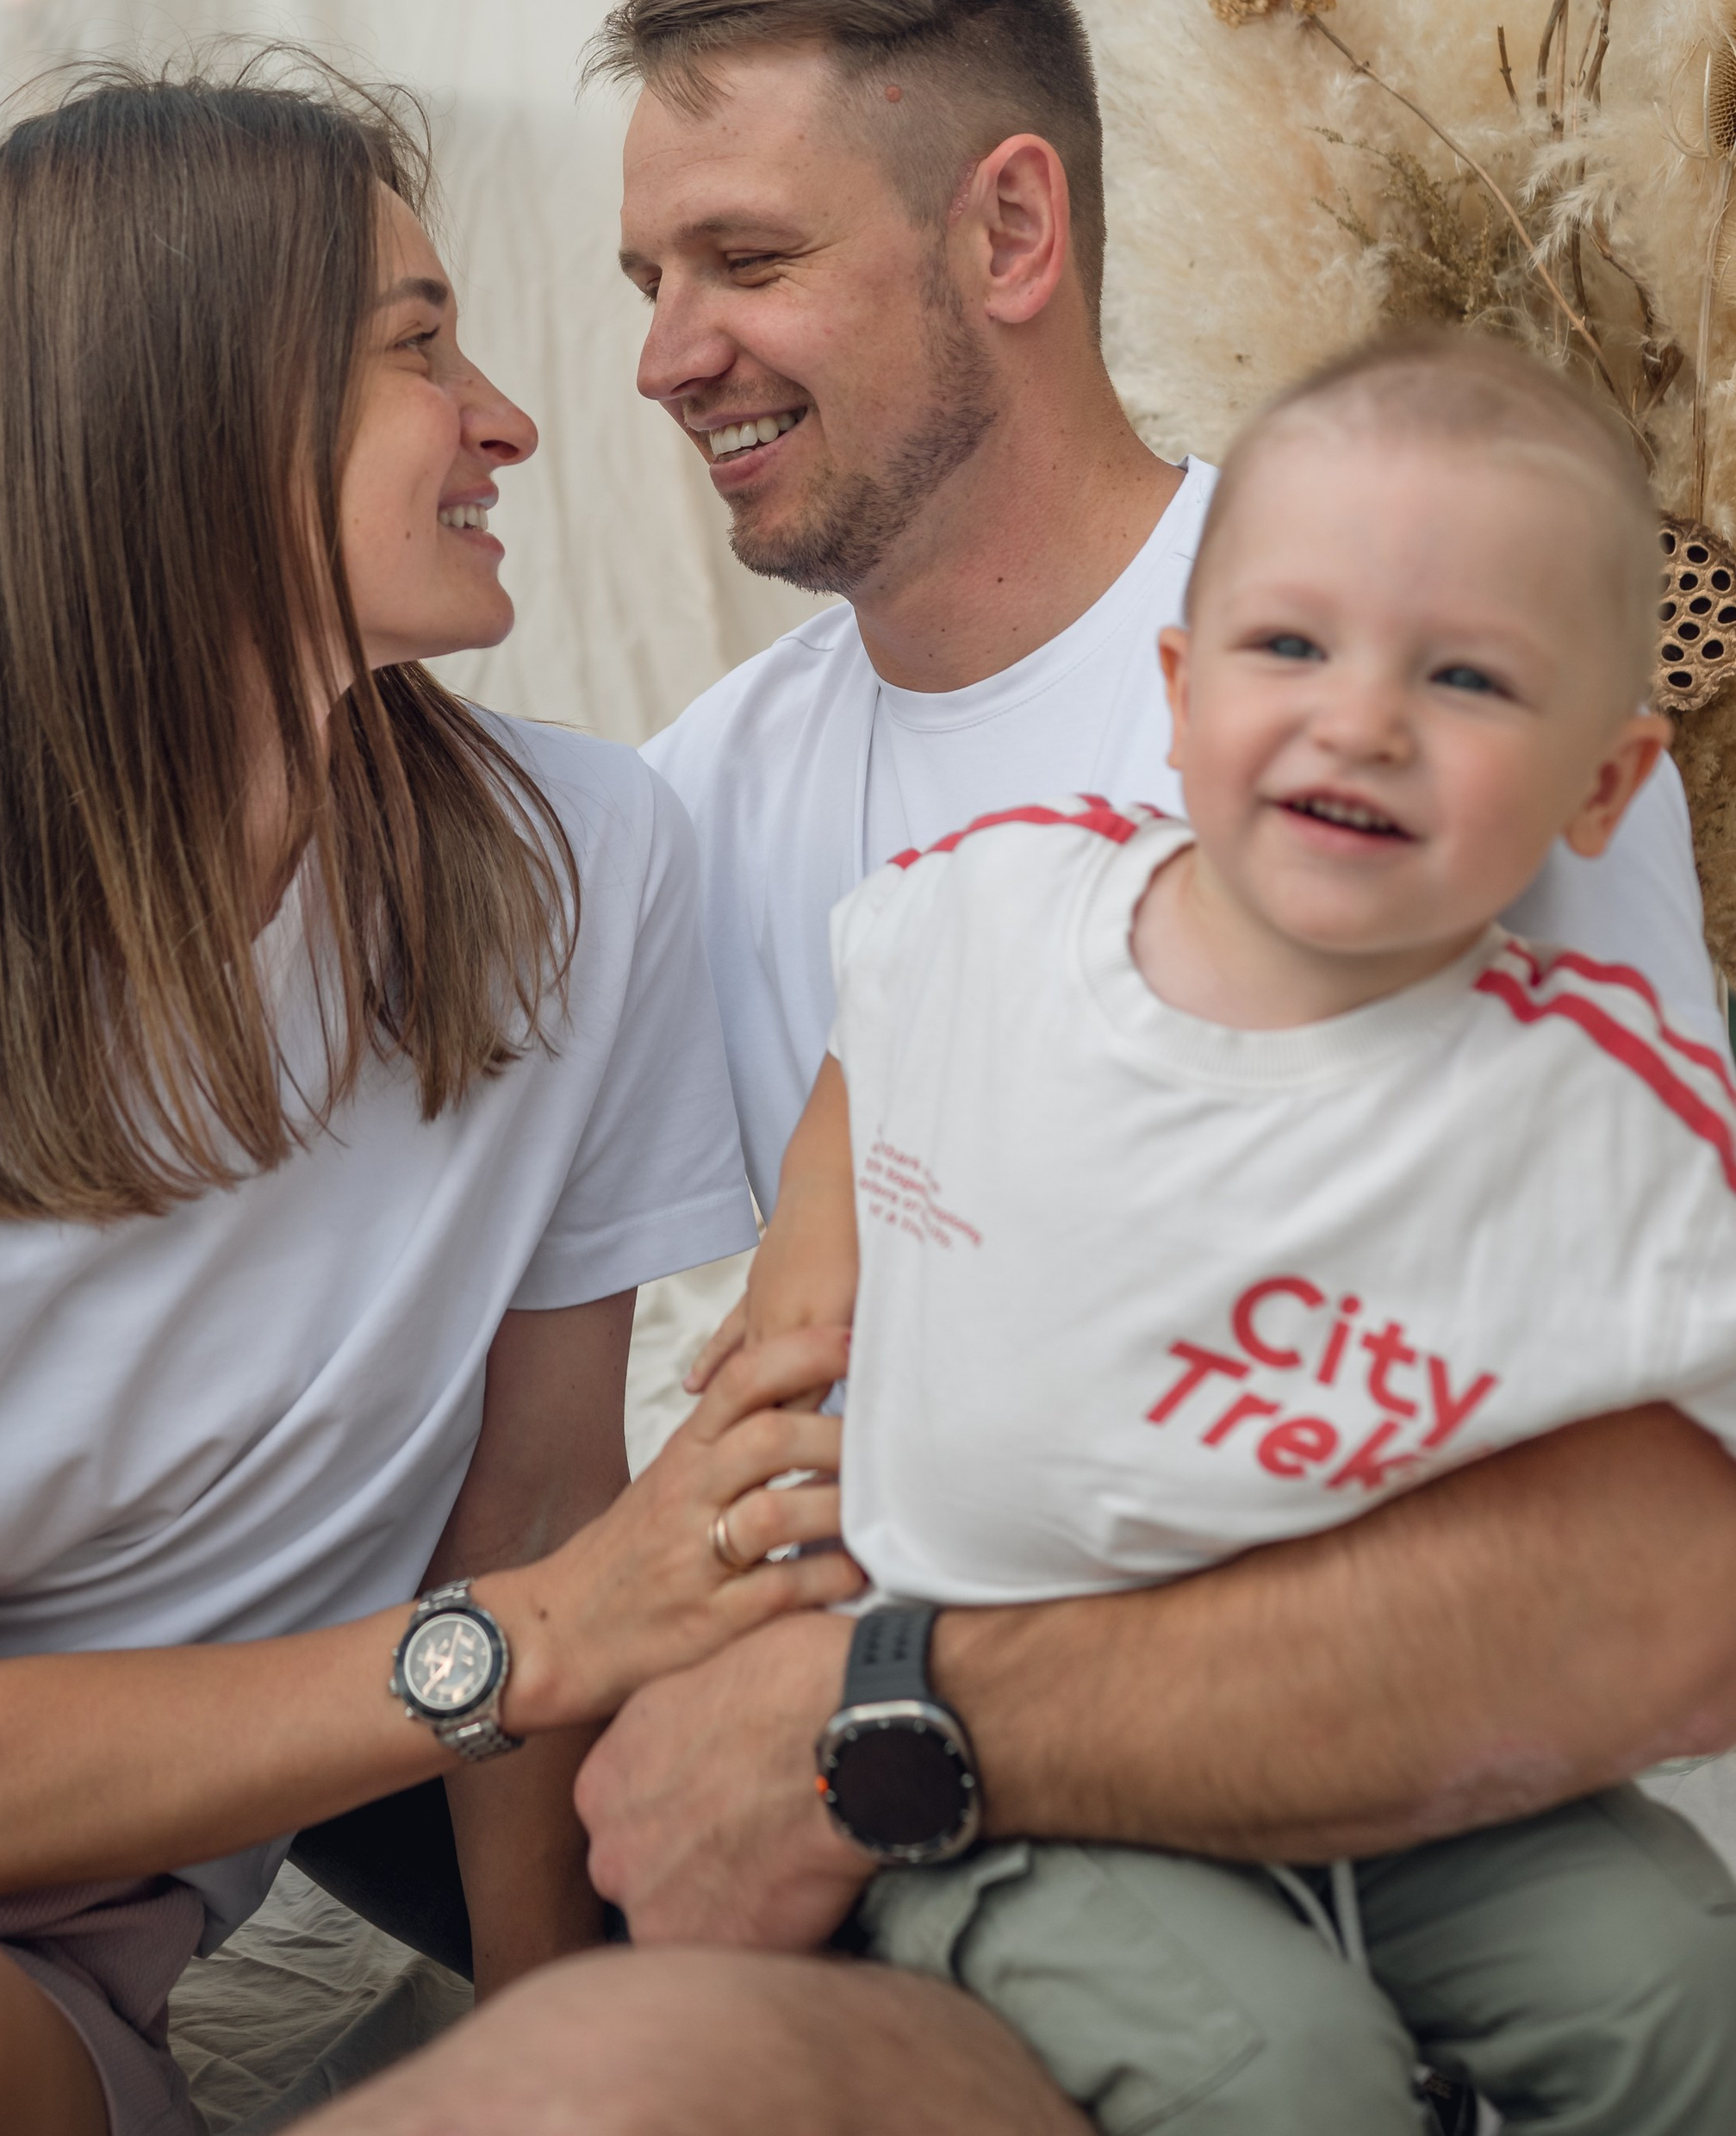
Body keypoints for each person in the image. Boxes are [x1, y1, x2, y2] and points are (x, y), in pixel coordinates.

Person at [300, 0, 1736, 2136]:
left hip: (1311, 1787)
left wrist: (875, 1708)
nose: (666, 355)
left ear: (1011, 229)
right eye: (645, 284)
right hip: (980, 1871)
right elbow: (660, 1415)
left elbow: (1660, 1565)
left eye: (744, 260)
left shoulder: (1417, 694)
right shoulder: (702, 812)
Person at [0, 62, 858, 2136]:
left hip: (37, 1919)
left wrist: (552, 2056)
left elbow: (527, 1517)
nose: (508, 416)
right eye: (420, 352)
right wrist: (511, 1639)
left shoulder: (582, 876)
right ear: (188, 433)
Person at [737, 326, 1736, 2130]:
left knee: (1678, 1983)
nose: (1359, 718)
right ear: (1181, 685)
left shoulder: (1600, 1105)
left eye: (1466, 678)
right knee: (1274, 2075)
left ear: (1601, 786)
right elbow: (868, 1055)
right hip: (995, 1761)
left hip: (1383, 1759)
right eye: (1290, 645)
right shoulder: (991, 915)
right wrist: (800, 1316)